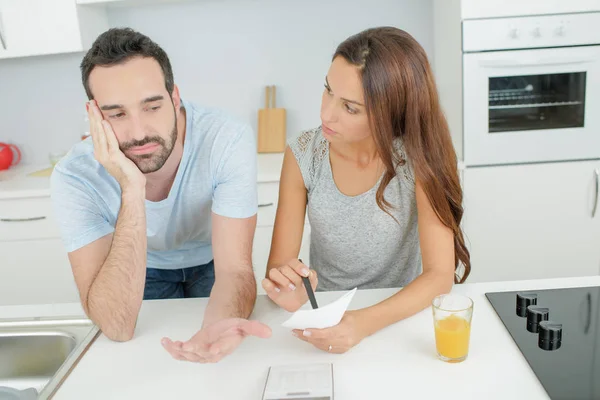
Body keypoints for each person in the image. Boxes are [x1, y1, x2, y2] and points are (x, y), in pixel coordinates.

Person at [50, 28, 271, 363]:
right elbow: (116, 325)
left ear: (175, 97)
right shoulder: (75, 175)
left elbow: (234, 271)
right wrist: (131, 186)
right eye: (117, 114)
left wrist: (218, 329)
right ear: (94, 115)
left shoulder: (226, 139)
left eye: (152, 106)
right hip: (140, 267)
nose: (138, 133)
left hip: (211, 259)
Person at [261, 27, 471, 354]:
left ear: (391, 112)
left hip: (401, 318)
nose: (326, 113)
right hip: (327, 317)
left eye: (350, 107)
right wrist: (287, 287)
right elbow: (279, 270)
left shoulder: (420, 159)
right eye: (328, 90)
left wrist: (362, 323)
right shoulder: (303, 153)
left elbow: (439, 276)